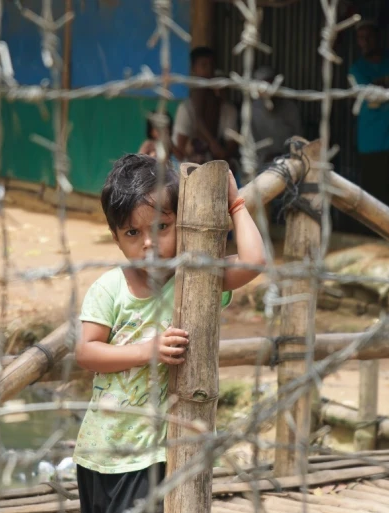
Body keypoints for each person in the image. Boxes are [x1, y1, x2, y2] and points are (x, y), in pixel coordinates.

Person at [73, 154, 266, 513]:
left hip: (159, 453)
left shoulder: (194, 279)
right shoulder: (111, 288)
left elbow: (254, 261)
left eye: (162, 227)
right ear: (116, 238)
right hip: (106, 452)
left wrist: (235, 203)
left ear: (182, 224)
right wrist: (149, 350)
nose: (149, 244)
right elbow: (87, 352)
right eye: (133, 233)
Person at [348, 20, 389, 213]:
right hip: (372, 143)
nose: (364, 42)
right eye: (360, 38)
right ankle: (375, 239)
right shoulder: (357, 69)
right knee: (375, 196)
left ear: (378, 37)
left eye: (368, 37)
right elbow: (374, 96)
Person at [172, 47, 238, 166]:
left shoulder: (226, 108)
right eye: (204, 65)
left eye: (211, 66)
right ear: (193, 69)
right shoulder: (186, 109)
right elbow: (180, 150)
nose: (209, 71)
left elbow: (231, 146)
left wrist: (219, 152)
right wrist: (211, 143)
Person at [251, 66, 302, 165]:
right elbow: (250, 141)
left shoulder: (290, 107)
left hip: (288, 161)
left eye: (270, 84)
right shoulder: (252, 110)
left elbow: (298, 138)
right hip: (261, 163)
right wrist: (265, 156)